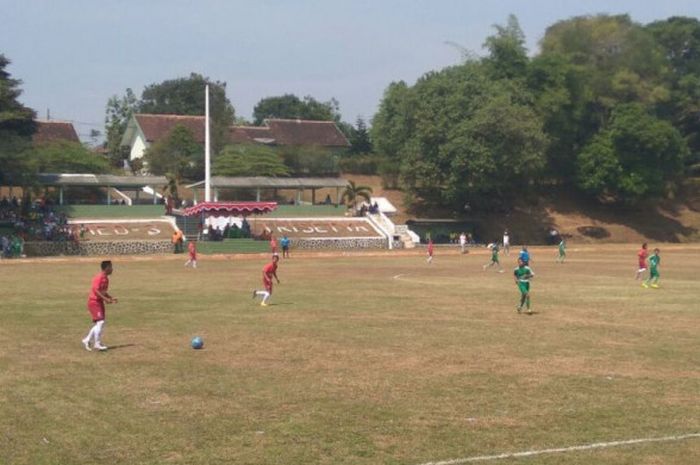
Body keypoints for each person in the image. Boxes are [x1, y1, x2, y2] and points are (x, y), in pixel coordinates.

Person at [82, 260, 117, 351]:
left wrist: (110, 298)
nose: (112, 269)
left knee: (99, 323)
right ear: (106, 268)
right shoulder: (99, 277)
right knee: (101, 322)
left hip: (99, 302)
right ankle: (97, 344)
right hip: (94, 302)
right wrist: (105, 299)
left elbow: (103, 292)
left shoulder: (106, 279)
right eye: (111, 267)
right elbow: (96, 291)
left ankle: (87, 340)